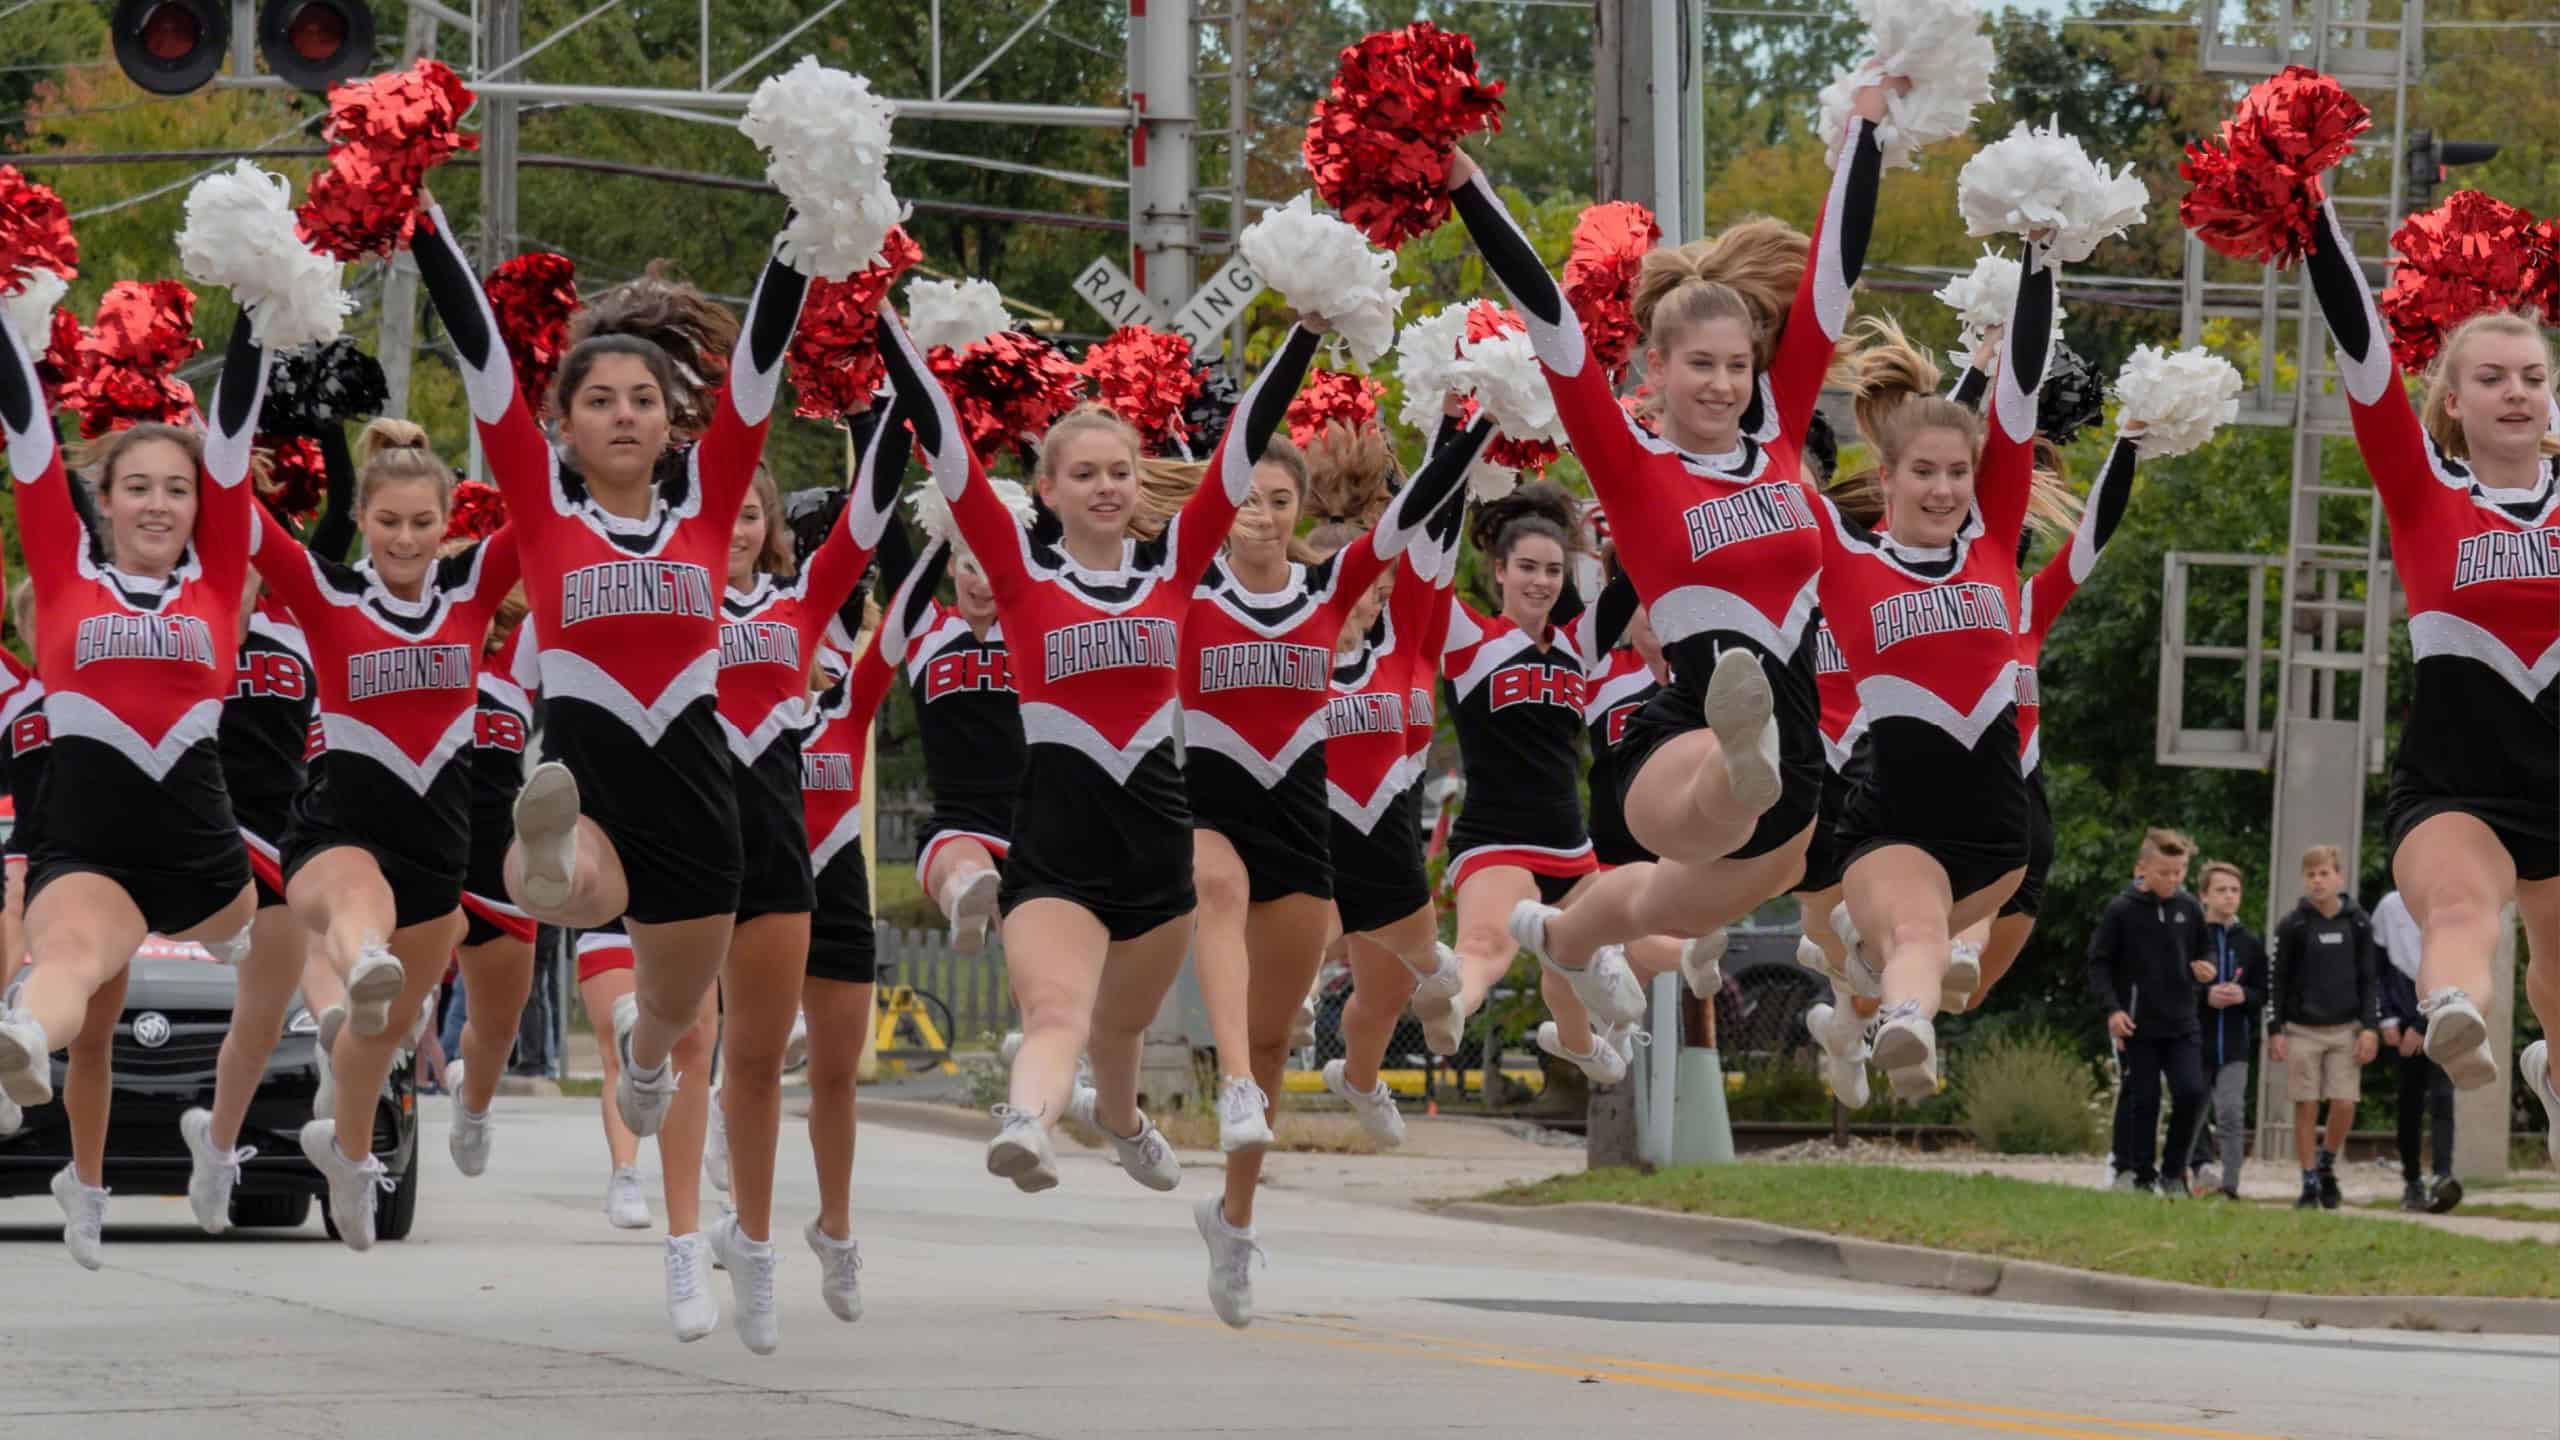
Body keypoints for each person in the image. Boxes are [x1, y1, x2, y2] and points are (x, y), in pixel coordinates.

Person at [875, 287, 1320, 1333]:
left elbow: (1245, 442)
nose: (1109, 486)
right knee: (1058, 1018)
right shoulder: (1024, 580)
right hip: (1057, 844)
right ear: (1047, 490)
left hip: (1157, 848)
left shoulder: (1176, 569)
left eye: (1121, 471)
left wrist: (1304, 324)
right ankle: (1026, 1121)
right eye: (1085, 473)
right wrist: (892, 329)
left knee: (1119, 1038)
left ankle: (1116, 1124)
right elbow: (941, 450)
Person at [1442, 80, 1898, 1015]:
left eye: (1738, 366)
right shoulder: (1631, 461)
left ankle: (1562, 940)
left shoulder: (1777, 438)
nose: (1724, 384)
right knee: (1718, 782)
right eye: (1701, 365)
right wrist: (1464, 183)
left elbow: (1828, 280)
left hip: (1798, 768)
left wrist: (1868, 128)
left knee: (1655, 902)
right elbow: (1552, 323)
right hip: (1678, 730)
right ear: (1658, 367)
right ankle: (1739, 753)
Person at [409, 196, 810, 1152]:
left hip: (698, 804)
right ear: (565, 425)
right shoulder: (544, 513)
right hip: (589, 789)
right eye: (598, 401)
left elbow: (757, 366)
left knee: (672, 1008)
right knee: (559, 873)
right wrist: (420, 219)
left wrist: (803, 224)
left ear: (673, 421)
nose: (622, 415)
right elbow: (482, 363)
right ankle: (546, 856)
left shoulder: (710, 506)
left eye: (641, 400)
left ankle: (643, 1065)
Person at [0, 304, 271, 1269]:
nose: (159, 504)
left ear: (201, 508)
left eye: (177, 490)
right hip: (91, 841)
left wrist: (256, 311)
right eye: (137, 488)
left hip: (205, 858)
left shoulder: (216, 579)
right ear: (102, 499)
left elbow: (234, 435)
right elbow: (25, 432)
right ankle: (24, 1044)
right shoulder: (66, 576)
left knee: (263, 930)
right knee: (72, 977)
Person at [2295, 200, 2555, 1124]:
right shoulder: (2423, 490)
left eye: (2532, 376)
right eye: (2491, 378)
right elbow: (2365, 361)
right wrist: (2316, 215)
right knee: (2458, 916)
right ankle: (2453, 1009)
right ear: (2454, 399)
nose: (2515, 392)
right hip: (2456, 783)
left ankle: (2552, 1078)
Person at [236, 414, 523, 1249]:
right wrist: (199, 431)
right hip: (337, 825)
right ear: (361, 518)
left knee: (384, 1033)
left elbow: (545, 502)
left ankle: (349, 1150)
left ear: (447, 525)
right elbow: (236, 513)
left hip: (439, 850)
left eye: (422, 522)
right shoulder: (327, 591)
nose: (404, 538)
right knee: (366, 935)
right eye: (388, 520)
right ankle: (361, 953)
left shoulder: (471, 591)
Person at [699, 424, 894, 1353]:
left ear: (772, 526)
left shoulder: (803, 612)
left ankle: (827, 1230)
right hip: (698, 856)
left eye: (749, 513)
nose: (734, 528)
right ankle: (749, 1234)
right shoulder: (674, 600)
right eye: (719, 511)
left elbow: (867, 524)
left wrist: (893, 398)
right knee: (735, 1054)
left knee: (824, 1070)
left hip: (808, 866)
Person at [574, 921, 723, 1336]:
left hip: (687, 918)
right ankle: (625, 1174)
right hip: (613, 925)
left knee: (691, 1055)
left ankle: (698, 1232)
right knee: (618, 1053)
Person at [2087, 828, 2210, 1196]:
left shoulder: (2189, 908)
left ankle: (2174, 1173)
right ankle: (2139, 1173)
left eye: (2180, 872)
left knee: (2190, 1091)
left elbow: (2204, 951)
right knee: (2145, 1098)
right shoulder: (2121, 910)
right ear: (2142, 869)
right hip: (2137, 1024)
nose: (2173, 880)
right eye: (2165, 873)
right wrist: (2113, 1010)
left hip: (2182, 1021)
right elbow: (2099, 963)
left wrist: (2207, 966)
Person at [2268, 843, 2380, 1211]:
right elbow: (2277, 980)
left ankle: (2327, 1162)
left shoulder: (2358, 921)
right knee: (2306, 1104)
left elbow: (2369, 977)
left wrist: (2370, 1027)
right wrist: (2276, 1029)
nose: (2318, 881)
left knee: (2345, 1102)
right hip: (2302, 1028)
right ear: (2305, 879)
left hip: (2345, 1027)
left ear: (2339, 877)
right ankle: (2308, 1181)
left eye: (2324, 874)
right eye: (2311, 875)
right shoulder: (2293, 924)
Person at [2374, 888, 2462, 1213]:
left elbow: (2458, 970)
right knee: (2409, 1103)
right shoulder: (2388, 906)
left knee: (2442, 1098)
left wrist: (2422, 1024)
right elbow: (2378, 970)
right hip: (2402, 1027)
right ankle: (2412, 1182)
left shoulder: (2452, 906)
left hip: (2442, 1018)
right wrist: (2388, 1020)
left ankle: (2442, 1175)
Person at [2188, 859, 2265, 1199]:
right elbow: (2172, 986)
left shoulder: (2250, 941)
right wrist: (2205, 995)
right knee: (2192, 1111)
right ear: (2204, 895)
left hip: (2235, 1044)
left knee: (2231, 1112)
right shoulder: (2190, 937)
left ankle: (2231, 1185)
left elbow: (2263, 992)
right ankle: (2189, 1175)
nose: (2229, 896)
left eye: (2235, 890)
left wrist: (2242, 995)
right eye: (2221, 890)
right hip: (2194, 1041)